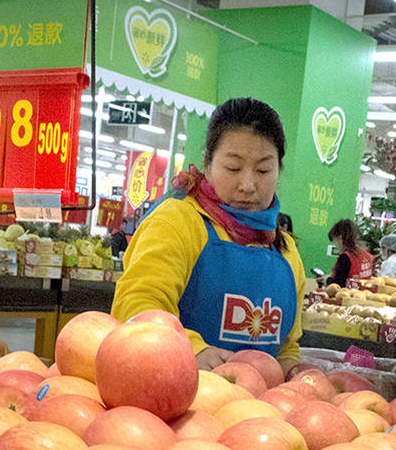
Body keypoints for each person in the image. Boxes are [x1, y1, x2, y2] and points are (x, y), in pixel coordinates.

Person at [111, 97, 305, 373]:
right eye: (233, 168)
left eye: (263, 170)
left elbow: (287, 346)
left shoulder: (285, 252)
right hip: (170, 398)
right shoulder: (177, 222)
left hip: (258, 410)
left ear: (279, 170)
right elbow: (136, 306)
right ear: (207, 163)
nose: (248, 185)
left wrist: (294, 374)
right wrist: (192, 349)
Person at [327, 218, 375, 288]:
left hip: (348, 296)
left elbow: (338, 285)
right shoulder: (367, 256)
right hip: (364, 295)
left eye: (335, 241)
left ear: (340, 238)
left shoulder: (345, 257)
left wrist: (327, 280)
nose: (336, 246)